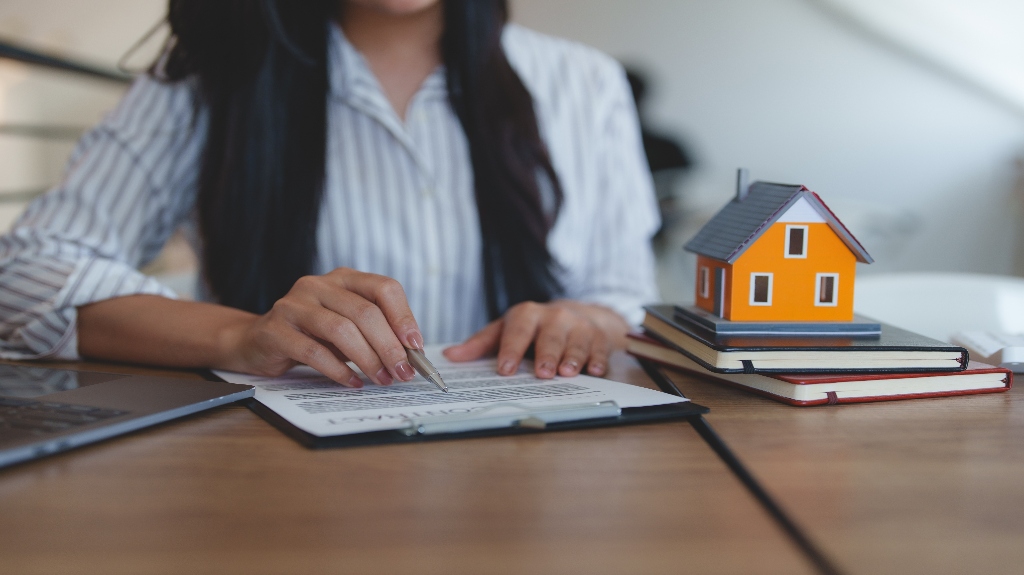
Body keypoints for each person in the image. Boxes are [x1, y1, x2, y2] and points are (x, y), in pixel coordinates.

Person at [0, 0, 659, 389]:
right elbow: (24, 276)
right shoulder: (211, 77)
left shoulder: (586, 84)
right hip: (270, 478)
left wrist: (583, 321)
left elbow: (626, 300)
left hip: (530, 471)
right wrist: (241, 334)